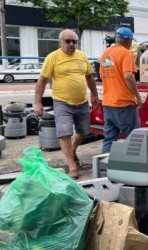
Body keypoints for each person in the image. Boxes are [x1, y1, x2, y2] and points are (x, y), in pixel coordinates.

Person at [33, 29, 99, 180]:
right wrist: (37, 102)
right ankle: (72, 165)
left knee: (83, 132)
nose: (71, 44)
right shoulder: (53, 58)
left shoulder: (82, 56)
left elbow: (89, 77)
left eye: (74, 42)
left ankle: (72, 150)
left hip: (82, 101)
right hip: (62, 101)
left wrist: (95, 95)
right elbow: (42, 81)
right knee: (65, 133)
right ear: (60, 42)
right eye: (68, 41)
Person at [98, 27, 143, 154]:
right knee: (134, 138)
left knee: (109, 139)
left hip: (108, 104)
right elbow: (128, 76)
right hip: (124, 103)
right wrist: (138, 97)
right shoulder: (125, 53)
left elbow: (102, 76)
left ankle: (104, 168)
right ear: (128, 40)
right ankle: (133, 167)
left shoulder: (105, 54)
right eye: (131, 41)